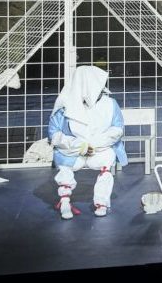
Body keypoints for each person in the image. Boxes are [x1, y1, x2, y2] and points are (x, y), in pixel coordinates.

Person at [48, 65, 127, 219]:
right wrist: (79, 146)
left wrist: (96, 143)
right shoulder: (65, 105)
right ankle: (64, 201)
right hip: (72, 152)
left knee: (106, 164)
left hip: (99, 150)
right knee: (65, 167)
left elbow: (117, 129)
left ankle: (102, 202)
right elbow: (54, 135)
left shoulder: (110, 104)